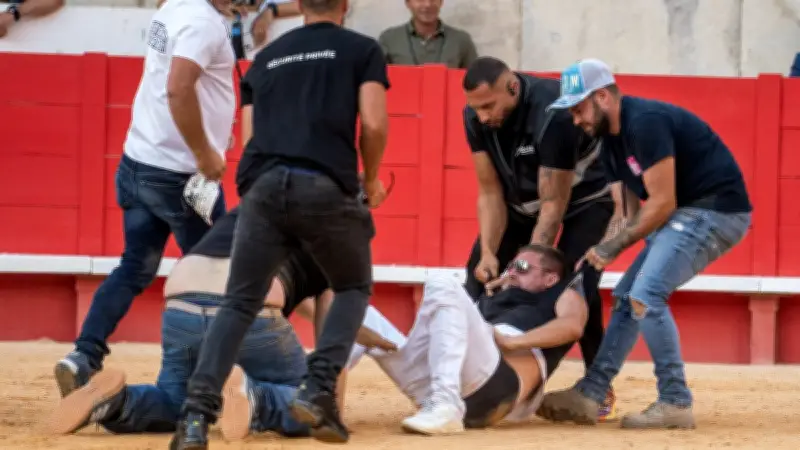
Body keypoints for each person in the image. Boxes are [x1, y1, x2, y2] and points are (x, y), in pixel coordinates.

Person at [172, 0, 391, 447]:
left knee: (239, 302)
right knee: (351, 286)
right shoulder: (362, 49)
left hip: (264, 188)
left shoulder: (266, 57)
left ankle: (194, 417)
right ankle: (317, 388)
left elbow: (250, 138)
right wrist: (369, 179)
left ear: (300, 7)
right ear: (345, 6)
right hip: (324, 183)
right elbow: (372, 122)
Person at [47, 208, 403, 441]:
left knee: (177, 400)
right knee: (308, 404)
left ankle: (117, 404)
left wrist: (370, 335)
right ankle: (258, 398)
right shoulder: (337, 241)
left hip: (179, 305)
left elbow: (302, 302)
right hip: (246, 314)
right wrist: (332, 409)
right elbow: (331, 337)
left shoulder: (263, 197)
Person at [539, 58, 753, 429]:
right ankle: (591, 393)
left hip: (715, 211)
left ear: (602, 96)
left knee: (647, 295)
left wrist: (610, 249)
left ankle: (675, 401)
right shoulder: (609, 145)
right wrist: (596, 253)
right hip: (686, 214)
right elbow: (626, 214)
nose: (576, 120)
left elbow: (662, 202)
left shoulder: (645, 122)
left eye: (579, 108)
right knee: (627, 296)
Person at [53, 0, 233, 400]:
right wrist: (204, 153)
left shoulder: (175, 6)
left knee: (134, 266)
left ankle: (83, 355)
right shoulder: (202, 22)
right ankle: (221, 379)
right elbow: (178, 87)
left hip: (137, 162)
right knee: (222, 275)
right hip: (181, 176)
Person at [461, 56, 619, 420]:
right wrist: (488, 253)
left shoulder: (553, 113)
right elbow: (489, 192)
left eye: (489, 106)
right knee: (476, 276)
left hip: (584, 201)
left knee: (577, 281)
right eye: (476, 108)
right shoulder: (474, 116)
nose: (483, 116)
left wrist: (522, 267)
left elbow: (554, 205)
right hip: (521, 202)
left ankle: (596, 387)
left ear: (513, 88)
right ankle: (465, 371)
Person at [378, 0, 478, 69]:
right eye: (420, 0)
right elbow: (378, 83)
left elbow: (474, 82)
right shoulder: (389, 39)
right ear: (408, 3)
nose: (427, 5)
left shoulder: (461, 40)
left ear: (441, 2)